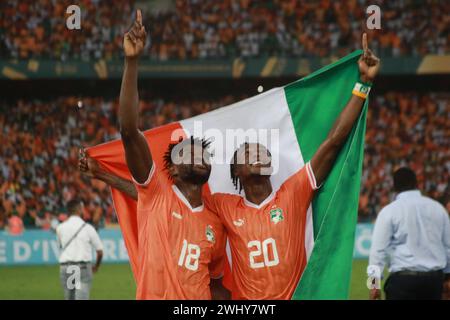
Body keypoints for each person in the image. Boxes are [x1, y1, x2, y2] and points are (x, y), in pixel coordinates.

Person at [115, 9, 228, 300]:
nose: (197, 156)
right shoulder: (155, 193)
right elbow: (129, 130)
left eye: (202, 154)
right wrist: (132, 61)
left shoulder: (215, 224)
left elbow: (215, 286)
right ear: (173, 171)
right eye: (186, 153)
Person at [368, 167, 450, 300]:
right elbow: (448, 247)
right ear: (416, 184)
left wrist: (373, 285)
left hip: (402, 282)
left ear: (394, 187)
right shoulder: (438, 209)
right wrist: (447, 279)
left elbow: (377, 251)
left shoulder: (389, 211)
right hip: (433, 282)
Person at [56, 199, 103, 300]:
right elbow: (100, 252)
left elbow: (60, 245)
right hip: (83, 268)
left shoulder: (60, 227)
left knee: (70, 298)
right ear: (80, 210)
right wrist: (96, 266)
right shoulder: (88, 228)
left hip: (67, 267)